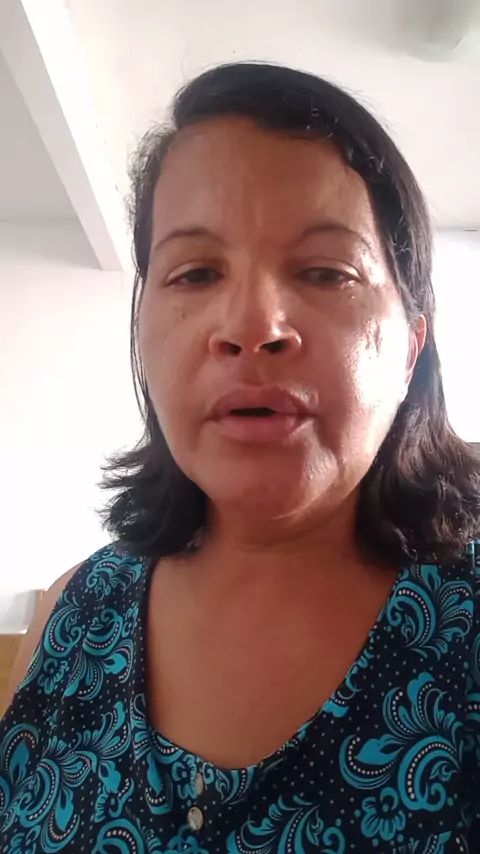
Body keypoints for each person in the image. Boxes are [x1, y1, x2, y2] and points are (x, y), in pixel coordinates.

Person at [1, 62, 479, 854]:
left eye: (326, 272)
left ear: (410, 349)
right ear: (143, 331)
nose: (252, 326)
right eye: (195, 273)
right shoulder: (68, 616)